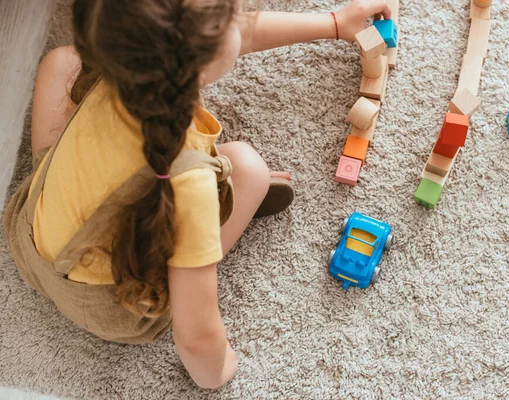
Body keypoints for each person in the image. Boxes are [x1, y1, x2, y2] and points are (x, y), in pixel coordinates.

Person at [3, 0, 392, 389]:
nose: (241, 20)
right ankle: (223, 200)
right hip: (114, 306)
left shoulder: (112, 54)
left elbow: (233, 31)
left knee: (60, 63)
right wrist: (218, 371)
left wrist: (335, 23)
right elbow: (196, 335)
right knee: (248, 167)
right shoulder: (190, 181)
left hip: (29, 236)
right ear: (202, 60)